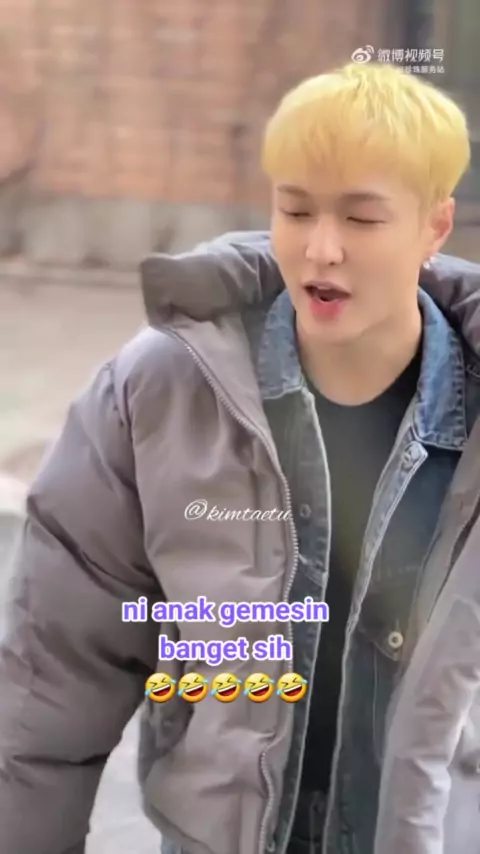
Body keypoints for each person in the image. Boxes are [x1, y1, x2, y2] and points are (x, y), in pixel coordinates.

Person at [1, 60, 480, 854]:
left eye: (362, 219)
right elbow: (50, 681)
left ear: (435, 226)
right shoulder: (161, 392)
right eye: (295, 209)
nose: (321, 249)